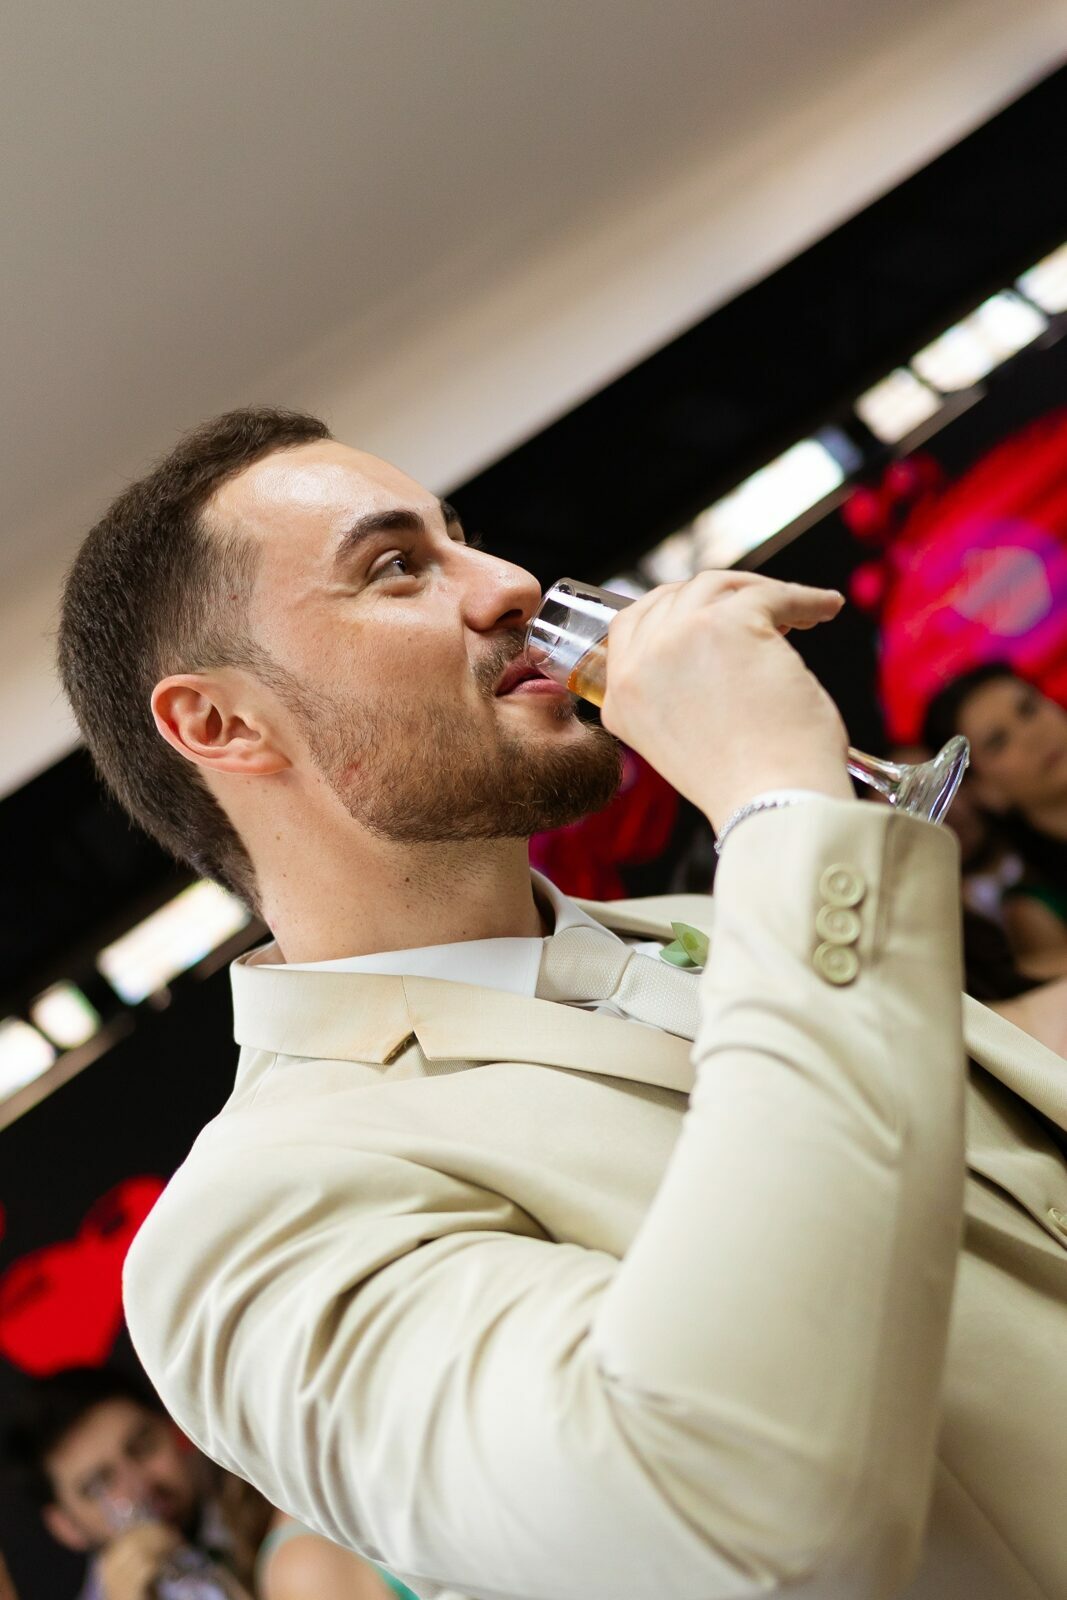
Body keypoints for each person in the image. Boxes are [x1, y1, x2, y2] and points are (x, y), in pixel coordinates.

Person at [55, 408, 1066, 1600]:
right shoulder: (242, 1234)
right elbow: (734, 1514)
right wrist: (779, 806)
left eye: (461, 537)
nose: (508, 585)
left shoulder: (708, 926)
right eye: (395, 567)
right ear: (219, 724)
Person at [0, 1368, 408, 1600]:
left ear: (176, 1427)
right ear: (65, 1526)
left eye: (142, 1446)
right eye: (98, 1485)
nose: (139, 1486)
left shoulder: (270, 1489)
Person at [923, 662, 1067, 976]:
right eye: (998, 741)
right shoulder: (1032, 910)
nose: (1032, 734)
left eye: (1028, 709)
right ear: (983, 790)